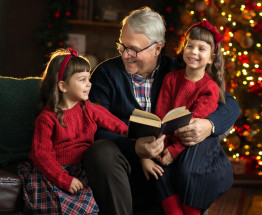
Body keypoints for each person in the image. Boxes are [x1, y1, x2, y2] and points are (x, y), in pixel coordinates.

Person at [84, 6, 240, 215]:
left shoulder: (177, 69)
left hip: (168, 168)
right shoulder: (105, 74)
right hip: (125, 171)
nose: (126, 55)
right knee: (99, 151)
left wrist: (208, 125)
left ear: (157, 48)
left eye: (135, 49)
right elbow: (92, 127)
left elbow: (229, 104)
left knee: (201, 140)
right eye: (122, 46)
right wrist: (134, 148)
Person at [17, 48, 128, 214]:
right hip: (54, 173)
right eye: (82, 80)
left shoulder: (86, 108)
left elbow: (112, 122)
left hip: (80, 169)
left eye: (89, 78)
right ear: (63, 86)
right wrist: (64, 179)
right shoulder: (47, 118)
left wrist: (131, 132)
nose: (89, 84)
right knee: (65, 207)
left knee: (90, 205)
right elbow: (42, 155)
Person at [139, 20, 230, 215]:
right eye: (190, 45)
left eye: (201, 48)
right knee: (159, 172)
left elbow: (192, 130)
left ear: (211, 57)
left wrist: (173, 151)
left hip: (191, 147)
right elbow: (160, 117)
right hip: (168, 142)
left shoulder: (209, 88)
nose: (194, 52)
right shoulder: (171, 79)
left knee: (189, 174)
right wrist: (157, 147)